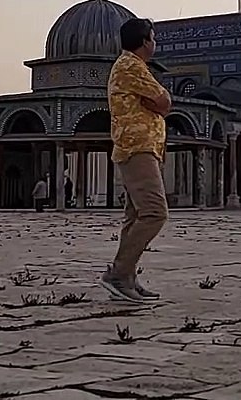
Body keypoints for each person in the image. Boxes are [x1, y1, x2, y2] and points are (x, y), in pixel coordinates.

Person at [98, 18, 170, 304]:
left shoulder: (133, 67)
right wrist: (158, 105)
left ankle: (125, 278)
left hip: (140, 147)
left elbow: (159, 102)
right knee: (154, 212)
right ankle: (118, 274)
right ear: (144, 41)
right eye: (153, 38)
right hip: (137, 147)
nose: (155, 43)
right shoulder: (131, 66)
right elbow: (164, 101)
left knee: (135, 216)